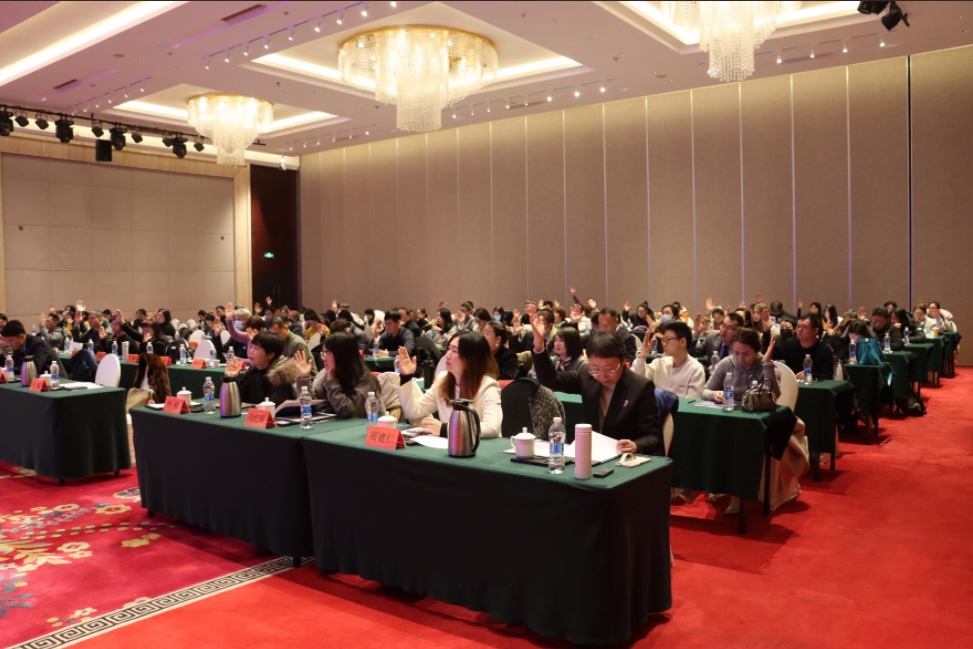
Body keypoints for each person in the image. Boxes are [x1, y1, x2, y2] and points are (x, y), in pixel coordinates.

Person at [533, 321, 663, 456]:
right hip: (591, 452)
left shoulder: (641, 387)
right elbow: (550, 380)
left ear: (623, 361)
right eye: (595, 369)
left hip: (622, 456)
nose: (602, 375)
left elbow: (654, 437)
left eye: (609, 369)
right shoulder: (587, 375)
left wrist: (635, 445)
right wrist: (538, 346)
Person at [396, 332, 502, 438]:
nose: (448, 355)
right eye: (449, 349)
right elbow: (413, 412)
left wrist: (446, 429)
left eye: (455, 351)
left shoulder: (488, 386)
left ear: (471, 358)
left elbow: (492, 428)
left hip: (481, 446)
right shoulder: (442, 379)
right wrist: (406, 377)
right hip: (448, 444)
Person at [293, 333, 384, 418]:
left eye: (327, 353)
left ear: (340, 355)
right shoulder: (330, 374)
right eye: (323, 353)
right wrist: (303, 378)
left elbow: (347, 411)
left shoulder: (365, 379)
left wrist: (331, 381)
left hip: (366, 427)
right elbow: (313, 405)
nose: (323, 359)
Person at [222, 331, 298, 407]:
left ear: (270, 355)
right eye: (252, 347)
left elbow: (275, 409)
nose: (251, 351)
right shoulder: (252, 372)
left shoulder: (279, 378)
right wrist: (230, 378)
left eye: (256, 348)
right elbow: (238, 401)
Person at [703, 328, 780, 403]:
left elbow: (774, 396)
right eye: (736, 353)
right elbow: (704, 391)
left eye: (746, 354)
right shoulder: (727, 363)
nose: (740, 359)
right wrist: (714, 394)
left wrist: (767, 364)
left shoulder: (767, 366)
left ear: (756, 351)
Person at [633, 321, 705, 398]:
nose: (664, 344)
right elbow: (637, 380)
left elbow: (692, 401)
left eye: (668, 339)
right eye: (663, 340)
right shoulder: (659, 363)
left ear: (682, 342)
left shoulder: (695, 369)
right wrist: (643, 355)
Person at [776, 314, 836, 381]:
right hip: (792, 385)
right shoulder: (789, 345)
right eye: (798, 326)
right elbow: (771, 356)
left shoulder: (825, 350)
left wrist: (810, 375)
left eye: (804, 327)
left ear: (815, 331)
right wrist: (767, 332)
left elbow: (828, 376)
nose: (799, 330)